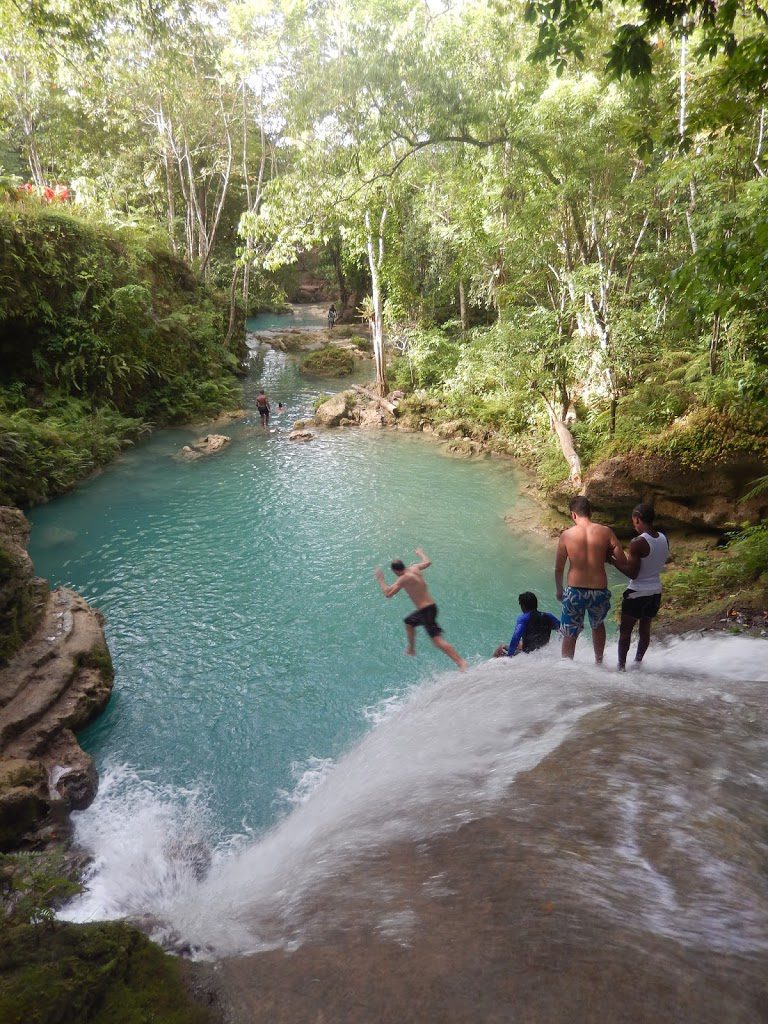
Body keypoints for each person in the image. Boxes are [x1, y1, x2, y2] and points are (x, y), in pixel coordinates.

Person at [375, 548, 467, 670]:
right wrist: (420, 553)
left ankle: (461, 662)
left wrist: (380, 579)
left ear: (395, 571)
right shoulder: (415, 568)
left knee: (437, 641)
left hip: (426, 611)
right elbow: (428, 562)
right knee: (409, 622)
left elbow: (388, 593)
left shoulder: (403, 578)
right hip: (431, 607)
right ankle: (411, 649)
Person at [555, 495, 622, 663]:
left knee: (570, 631)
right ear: (590, 512)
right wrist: (606, 556)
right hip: (598, 591)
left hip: (574, 591)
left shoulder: (566, 535)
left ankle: (567, 666)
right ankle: (599, 662)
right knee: (597, 625)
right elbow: (621, 559)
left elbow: (559, 568)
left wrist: (559, 590)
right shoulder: (606, 532)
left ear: (573, 515)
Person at [611, 503, 670, 670]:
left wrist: (612, 561)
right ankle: (637, 663)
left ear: (637, 519)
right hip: (655, 591)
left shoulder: (638, 542)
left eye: (633, 520)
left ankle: (621, 667)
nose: (633, 524)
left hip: (637, 592)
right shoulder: (663, 538)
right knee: (645, 630)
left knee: (625, 632)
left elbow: (632, 573)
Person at [493, 592, 560, 657]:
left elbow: (516, 637)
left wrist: (509, 656)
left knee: (502, 647)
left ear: (523, 606)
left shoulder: (524, 618)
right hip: (542, 650)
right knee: (521, 643)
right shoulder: (548, 616)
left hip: (528, 654)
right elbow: (563, 630)